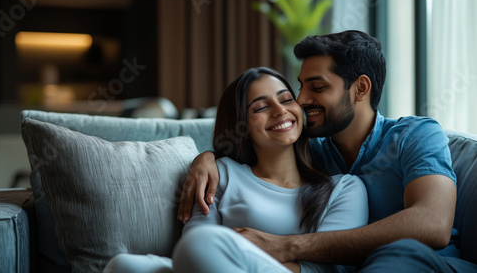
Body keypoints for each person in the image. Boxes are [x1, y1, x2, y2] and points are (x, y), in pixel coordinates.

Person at [178, 30, 477, 272]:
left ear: (360, 89)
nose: (302, 99)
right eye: (301, 86)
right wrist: (207, 159)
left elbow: (434, 225)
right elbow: (254, 143)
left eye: (317, 88)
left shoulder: (416, 135)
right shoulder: (312, 148)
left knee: (395, 256)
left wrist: (286, 245)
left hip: (424, 262)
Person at [104, 67, 368, 273]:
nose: (280, 111)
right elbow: (191, 251)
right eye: (261, 108)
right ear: (241, 125)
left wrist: (236, 254)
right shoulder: (220, 174)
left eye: (286, 100)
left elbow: (332, 266)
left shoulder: (344, 188)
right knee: (125, 266)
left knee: (203, 245)